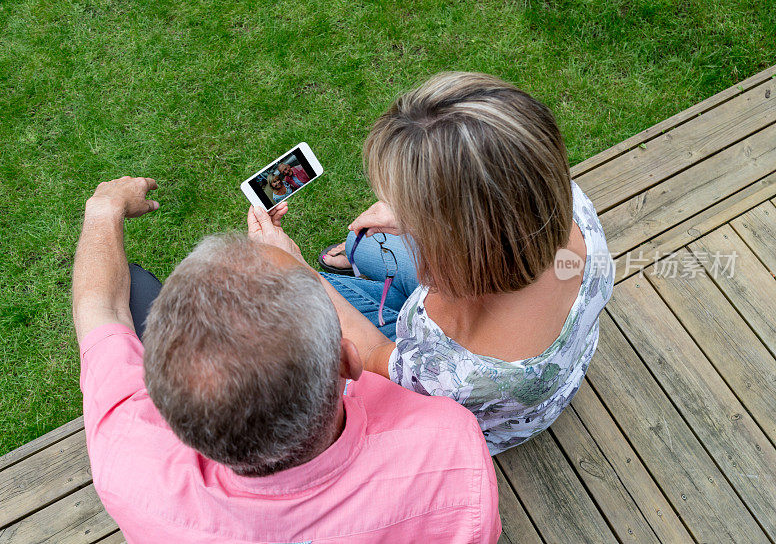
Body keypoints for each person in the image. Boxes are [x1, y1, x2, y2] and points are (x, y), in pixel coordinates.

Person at [72, 177, 501, 543]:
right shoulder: (450, 448)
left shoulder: (127, 462)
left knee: (136, 286)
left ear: (164, 405)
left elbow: (101, 310)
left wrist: (104, 209)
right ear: (347, 361)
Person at [312, 72, 616, 454]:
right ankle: (356, 261)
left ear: (457, 241)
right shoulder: (568, 207)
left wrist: (295, 271)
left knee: (325, 295)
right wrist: (412, 217)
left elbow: (372, 356)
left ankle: (347, 275)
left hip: (458, 402)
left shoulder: (456, 370)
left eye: (416, 215)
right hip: (539, 389)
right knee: (365, 247)